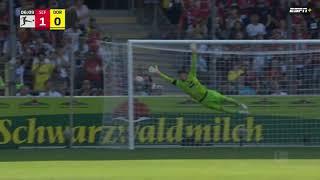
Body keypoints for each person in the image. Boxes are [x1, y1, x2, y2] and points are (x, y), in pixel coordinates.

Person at [149, 44, 248, 114]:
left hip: (209, 94)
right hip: (203, 101)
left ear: (186, 74)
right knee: (222, 109)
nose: (182, 76)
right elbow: (168, 79)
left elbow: (193, 63)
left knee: (226, 99)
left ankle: (240, 104)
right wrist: (158, 73)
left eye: (183, 74)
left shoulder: (192, 75)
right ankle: (238, 113)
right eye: (180, 75)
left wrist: (194, 52)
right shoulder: (179, 83)